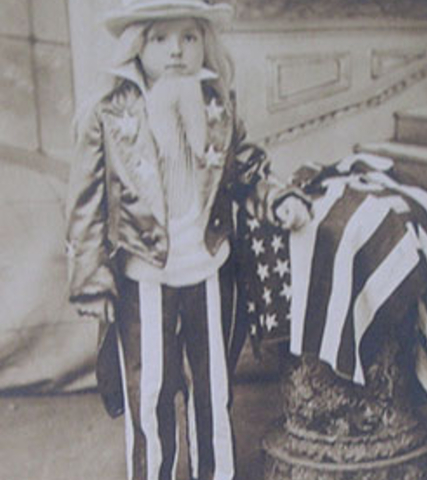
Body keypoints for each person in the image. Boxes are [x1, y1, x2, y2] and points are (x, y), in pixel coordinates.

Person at [65, 1, 311, 479]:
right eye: (160, 38)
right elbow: (86, 199)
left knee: (212, 387)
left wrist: (275, 197)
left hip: (206, 266)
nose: (176, 50)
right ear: (137, 44)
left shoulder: (217, 105)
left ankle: (214, 472)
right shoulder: (112, 113)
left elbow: (244, 167)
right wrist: (92, 279)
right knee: (151, 387)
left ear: (205, 43)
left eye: (189, 38)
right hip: (146, 272)